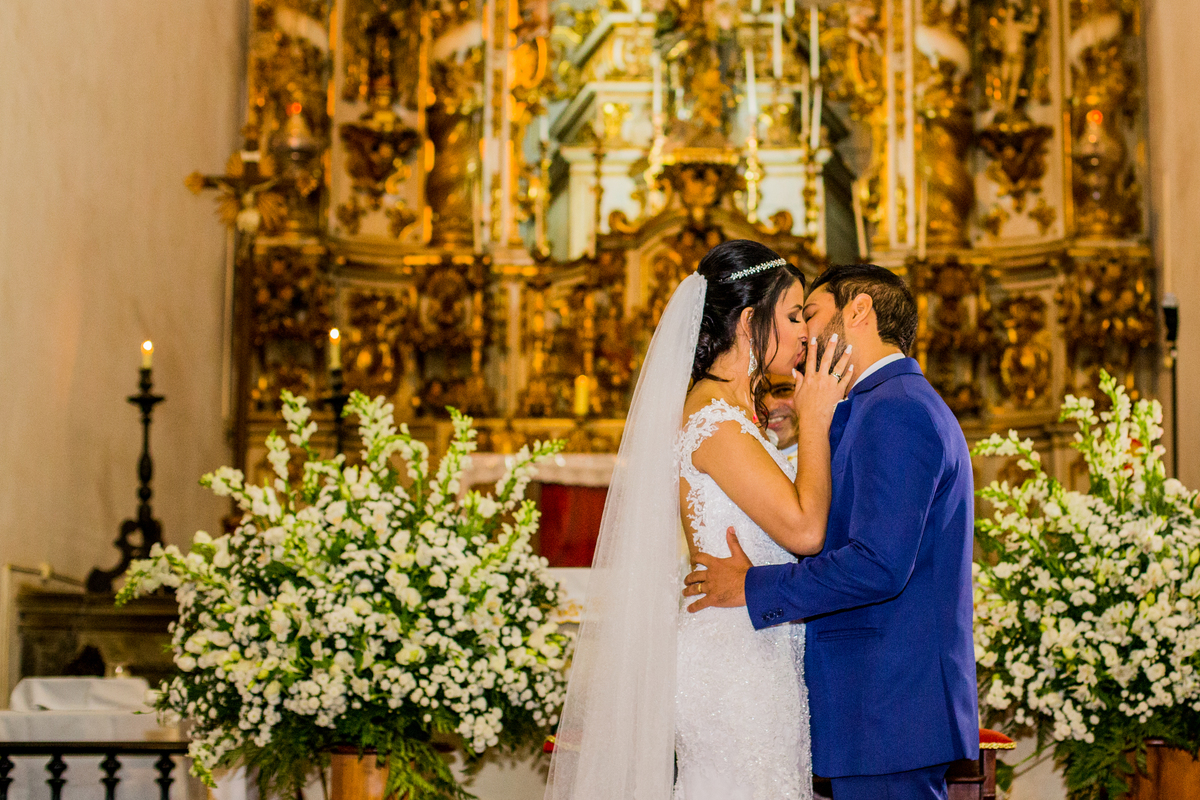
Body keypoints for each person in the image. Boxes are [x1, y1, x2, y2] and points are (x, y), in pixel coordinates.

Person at [544, 240, 850, 800]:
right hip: (734, 667)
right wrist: (815, 417)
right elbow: (806, 530)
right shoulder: (716, 422)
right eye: (793, 316)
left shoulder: (732, 414)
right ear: (749, 323)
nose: (806, 333)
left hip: (754, 650)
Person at [684, 264, 980, 800]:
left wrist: (752, 586)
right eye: (794, 317)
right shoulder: (878, 405)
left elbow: (877, 563)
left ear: (859, 310)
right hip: (873, 702)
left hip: (886, 702)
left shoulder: (896, 409)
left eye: (811, 314)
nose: (803, 334)